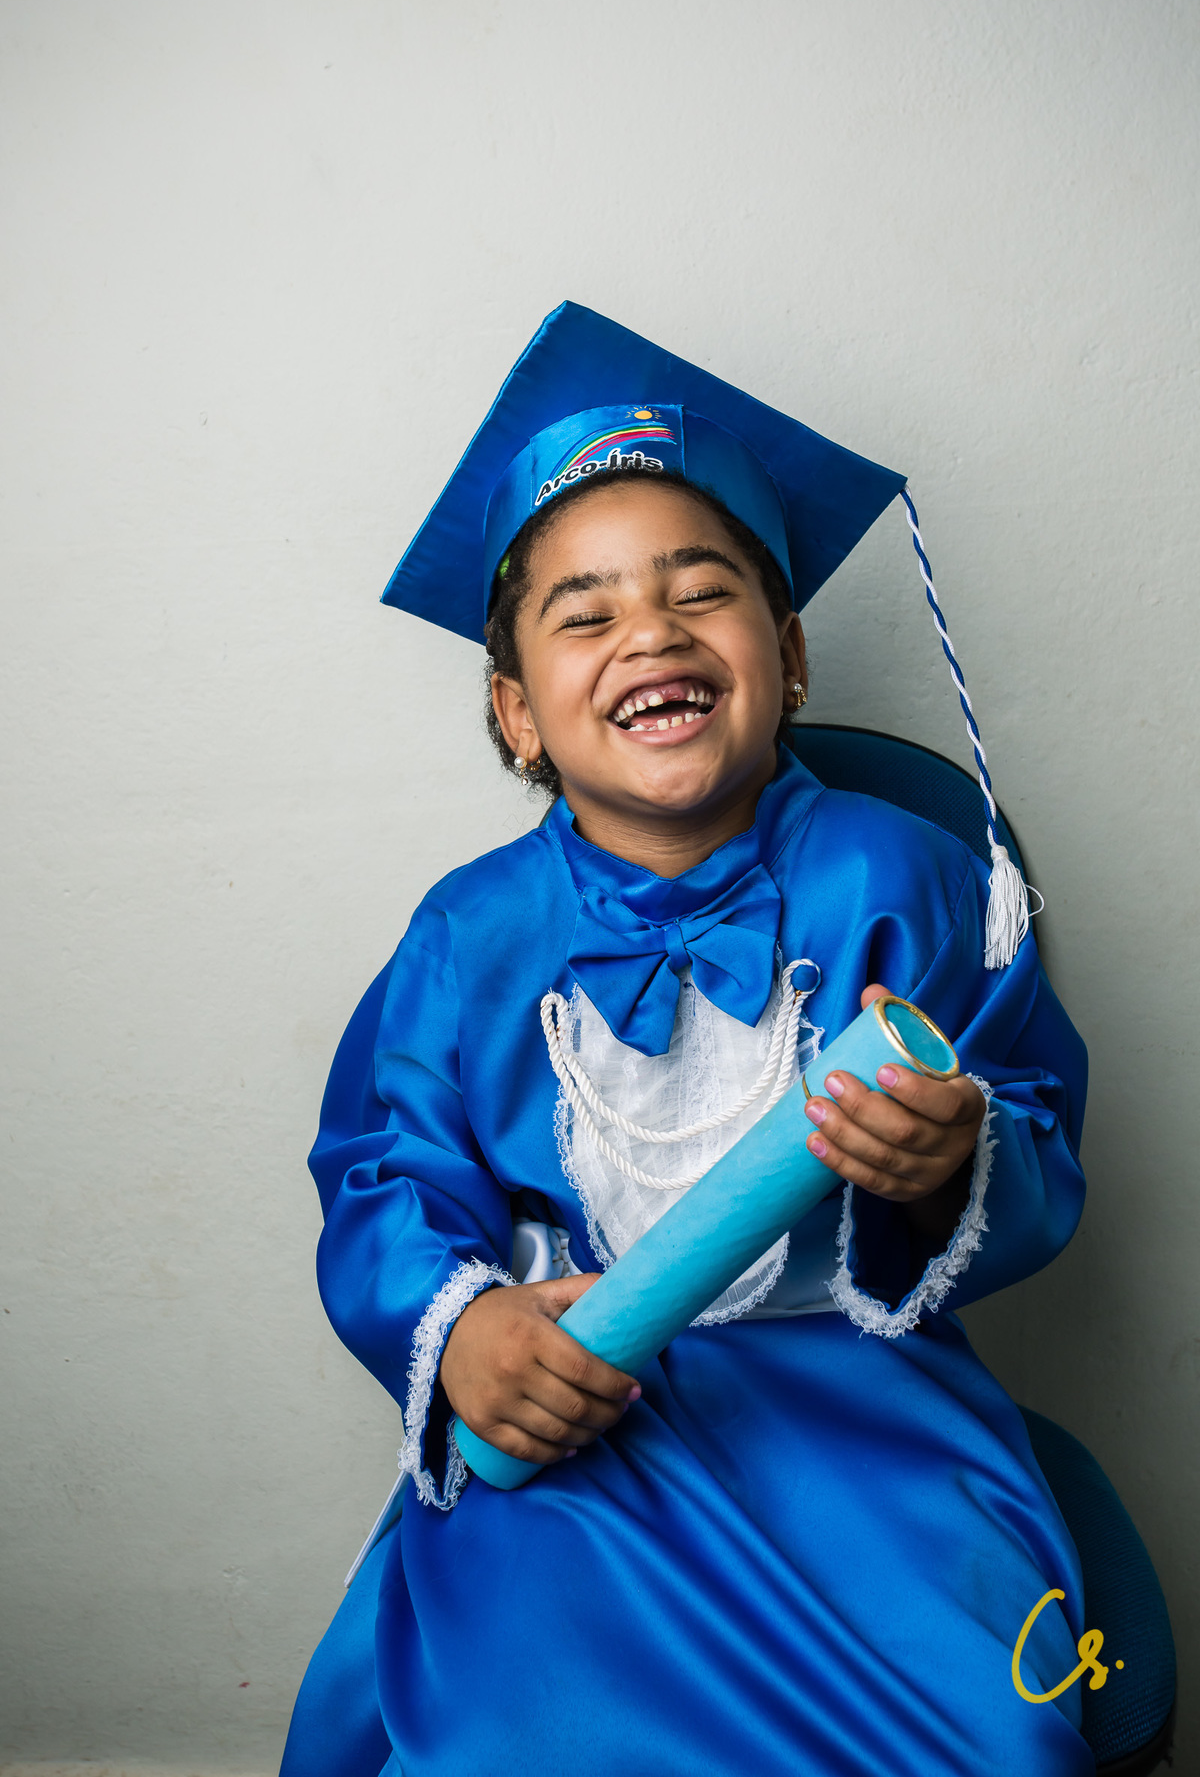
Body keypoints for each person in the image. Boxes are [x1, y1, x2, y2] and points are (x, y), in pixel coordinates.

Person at [280, 304, 1093, 1777]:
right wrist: (464, 1329)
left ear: (785, 654)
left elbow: (1036, 1108)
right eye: (584, 615)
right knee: (500, 1737)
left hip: (858, 1417)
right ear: (518, 714)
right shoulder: (468, 936)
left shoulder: (899, 878)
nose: (647, 632)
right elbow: (383, 1177)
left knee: (977, 1734)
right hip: (590, 1406)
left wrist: (952, 1156)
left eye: (698, 595)